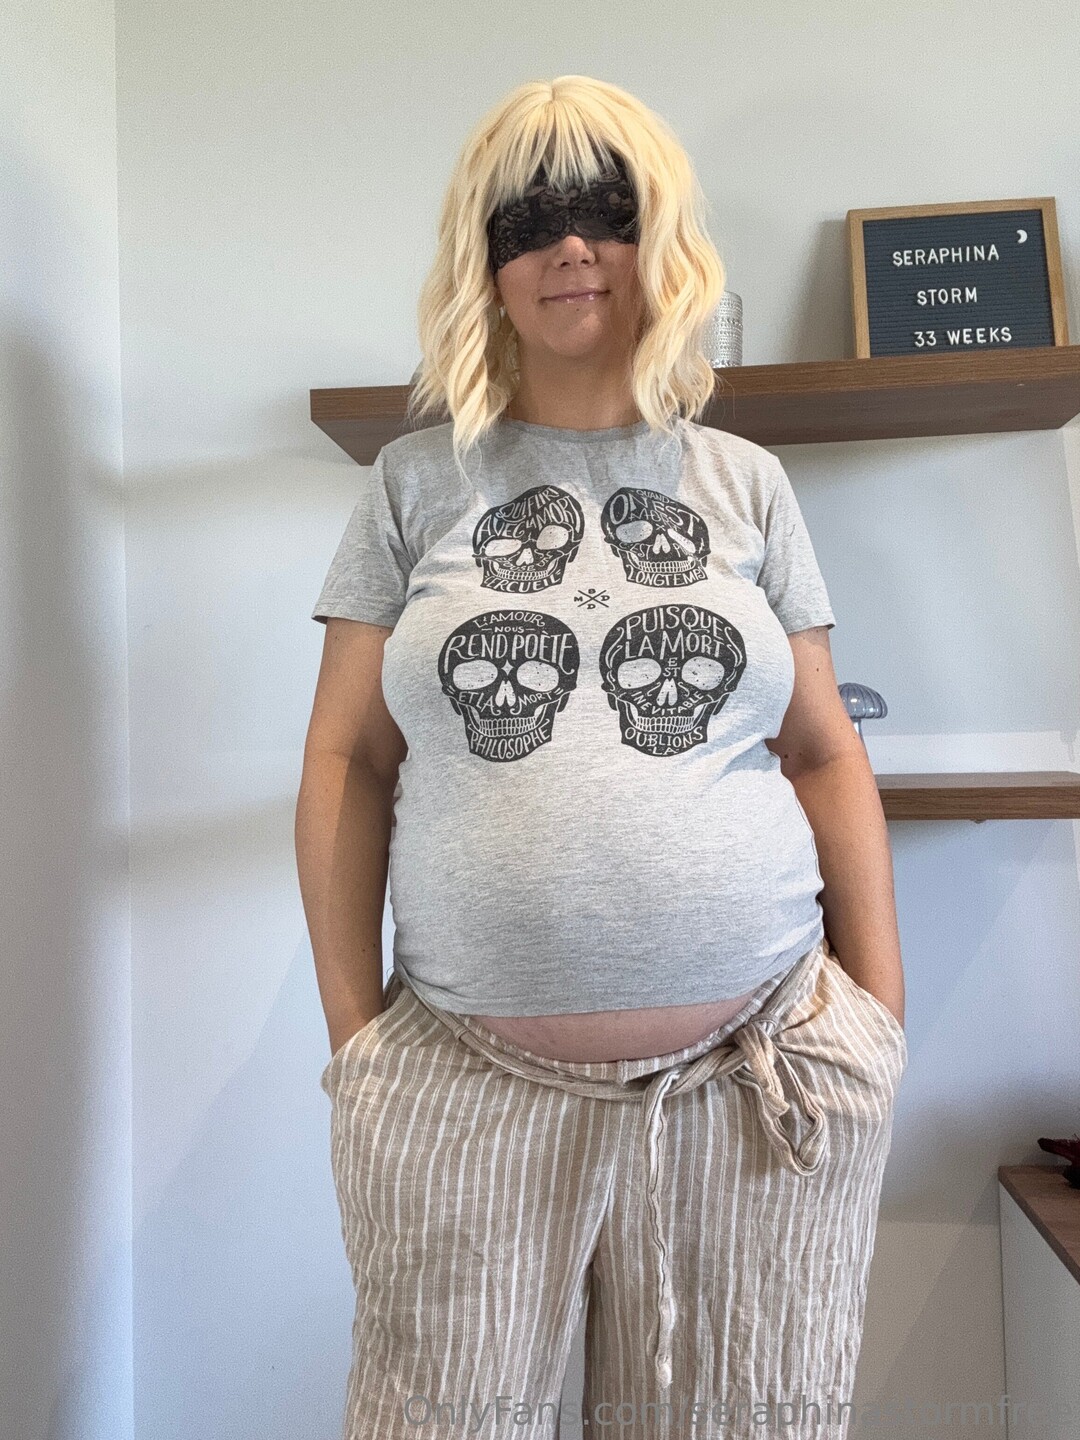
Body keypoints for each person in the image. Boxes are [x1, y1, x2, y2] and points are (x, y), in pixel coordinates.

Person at [296, 73, 908, 1440]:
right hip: (459, 1088)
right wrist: (358, 1050)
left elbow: (822, 750)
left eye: (607, 210)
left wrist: (878, 1015)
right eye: (529, 216)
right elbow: (347, 760)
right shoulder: (412, 486)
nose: (571, 244)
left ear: (663, 239)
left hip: (760, 1083)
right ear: (486, 261)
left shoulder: (745, 484)